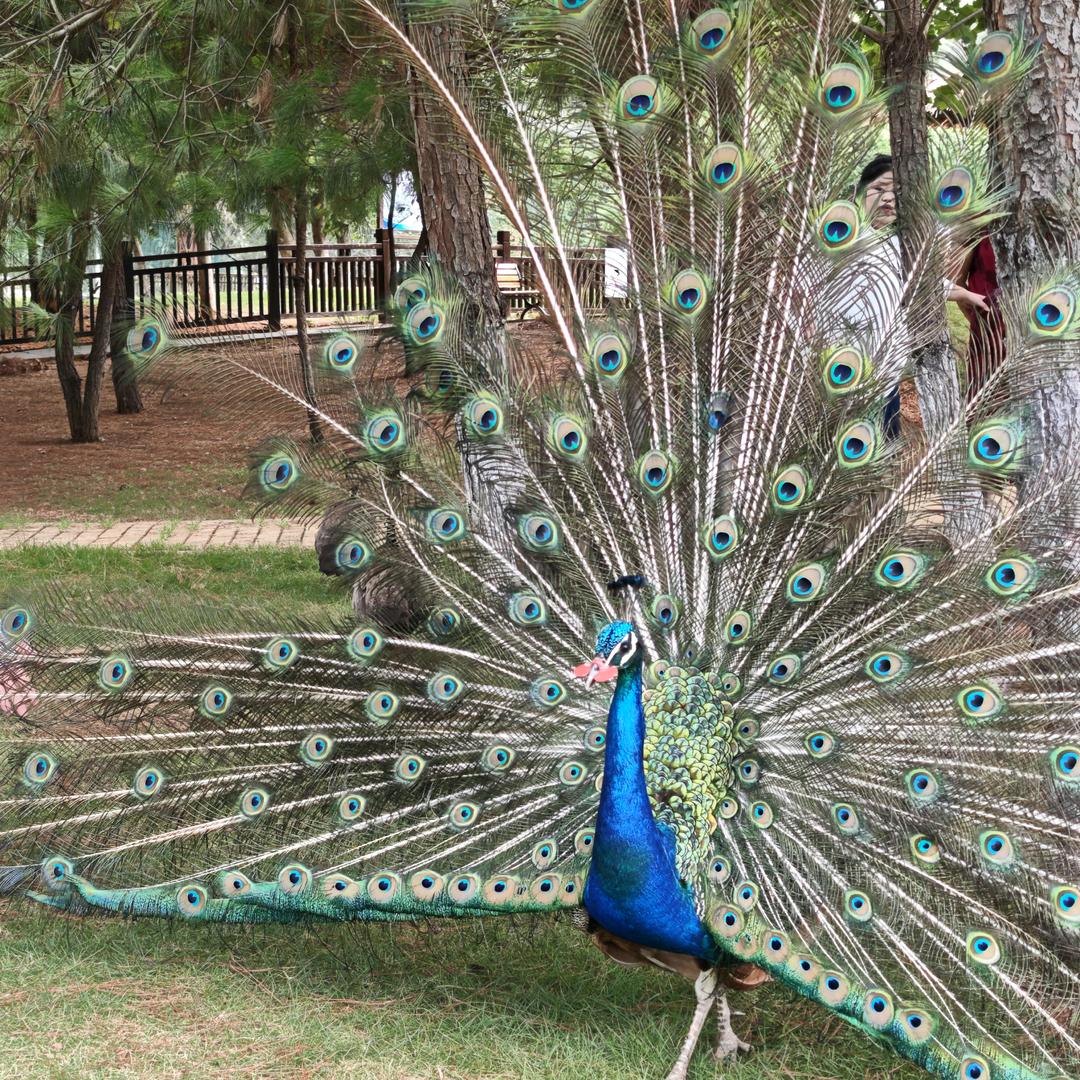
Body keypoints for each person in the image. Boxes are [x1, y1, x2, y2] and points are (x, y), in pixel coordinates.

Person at [850, 154, 988, 437]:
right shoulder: (841, 239)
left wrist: (968, 295)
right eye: (879, 189)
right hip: (841, 372)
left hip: (883, 375)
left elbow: (924, 283)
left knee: (879, 448)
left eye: (896, 194)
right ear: (860, 192)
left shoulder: (896, 245)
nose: (888, 199)